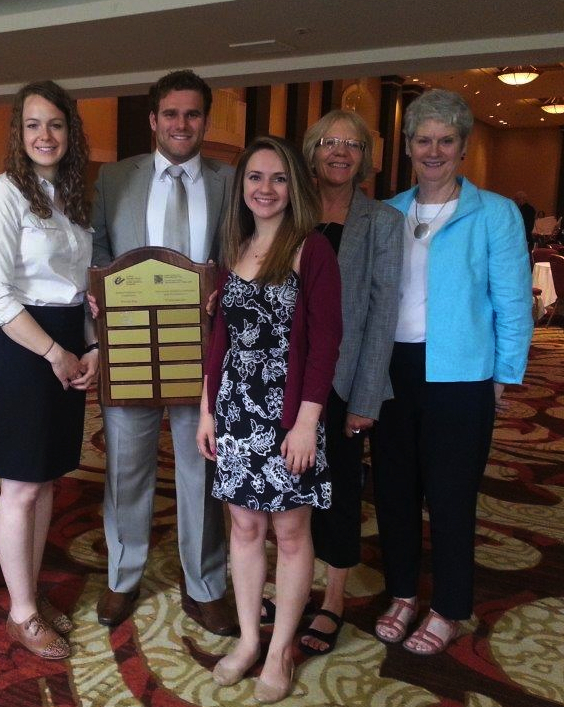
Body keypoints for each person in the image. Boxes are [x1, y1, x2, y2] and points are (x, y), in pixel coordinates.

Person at [371, 89, 532, 655]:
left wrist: (504, 375)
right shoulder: (388, 211)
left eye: (445, 140)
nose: (433, 150)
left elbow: (513, 300)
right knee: (393, 490)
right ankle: (401, 593)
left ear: (462, 147)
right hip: (393, 371)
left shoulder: (495, 213)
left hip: (462, 374)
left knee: (450, 494)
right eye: (423, 140)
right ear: (409, 147)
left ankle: (449, 605)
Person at [196, 136, 342, 702]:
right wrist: (209, 409)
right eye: (255, 178)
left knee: (289, 530)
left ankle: (282, 649)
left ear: (295, 187)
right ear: (242, 188)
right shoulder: (235, 247)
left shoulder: (312, 249)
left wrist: (307, 423)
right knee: (245, 527)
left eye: (278, 178)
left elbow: (326, 341)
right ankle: (250, 641)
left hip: (289, 416)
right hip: (235, 411)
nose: (265, 189)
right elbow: (221, 339)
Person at [91, 69, 236, 635]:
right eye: (170, 114)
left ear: (205, 120)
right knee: (125, 470)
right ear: (153, 120)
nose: (181, 124)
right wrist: (96, 295)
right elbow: (98, 245)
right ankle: (123, 577)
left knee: (201, 471)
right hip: (128, 349)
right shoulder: (115, 178)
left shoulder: (230, 181)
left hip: (203, 354)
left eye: (192, 114)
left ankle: (206, 583)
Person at [261, 110, 402, 656]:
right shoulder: (287, 210)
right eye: (328, 142)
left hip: (343, 383)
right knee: (281, 490)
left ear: (365, 157)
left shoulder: (382, 222)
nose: (339, 152)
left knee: (340, 495)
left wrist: (366, 397)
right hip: (281, 377)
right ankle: (282, 584)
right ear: (311, 151)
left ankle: (333, 598)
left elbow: (382, 314)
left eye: (352, 144)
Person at [0, 80, 99, 659]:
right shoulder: (5, 193)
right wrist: (54, 353)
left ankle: (29, 592)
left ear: (70, 132)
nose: (44, 135)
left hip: (70, 342)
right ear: (17, 134)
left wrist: (92, 349)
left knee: (49, 478)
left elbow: (88, 290)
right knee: (21, 487)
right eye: (32, 125)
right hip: (23, 349)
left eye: (54, 124)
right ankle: (21, 611)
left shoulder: (73, 196)